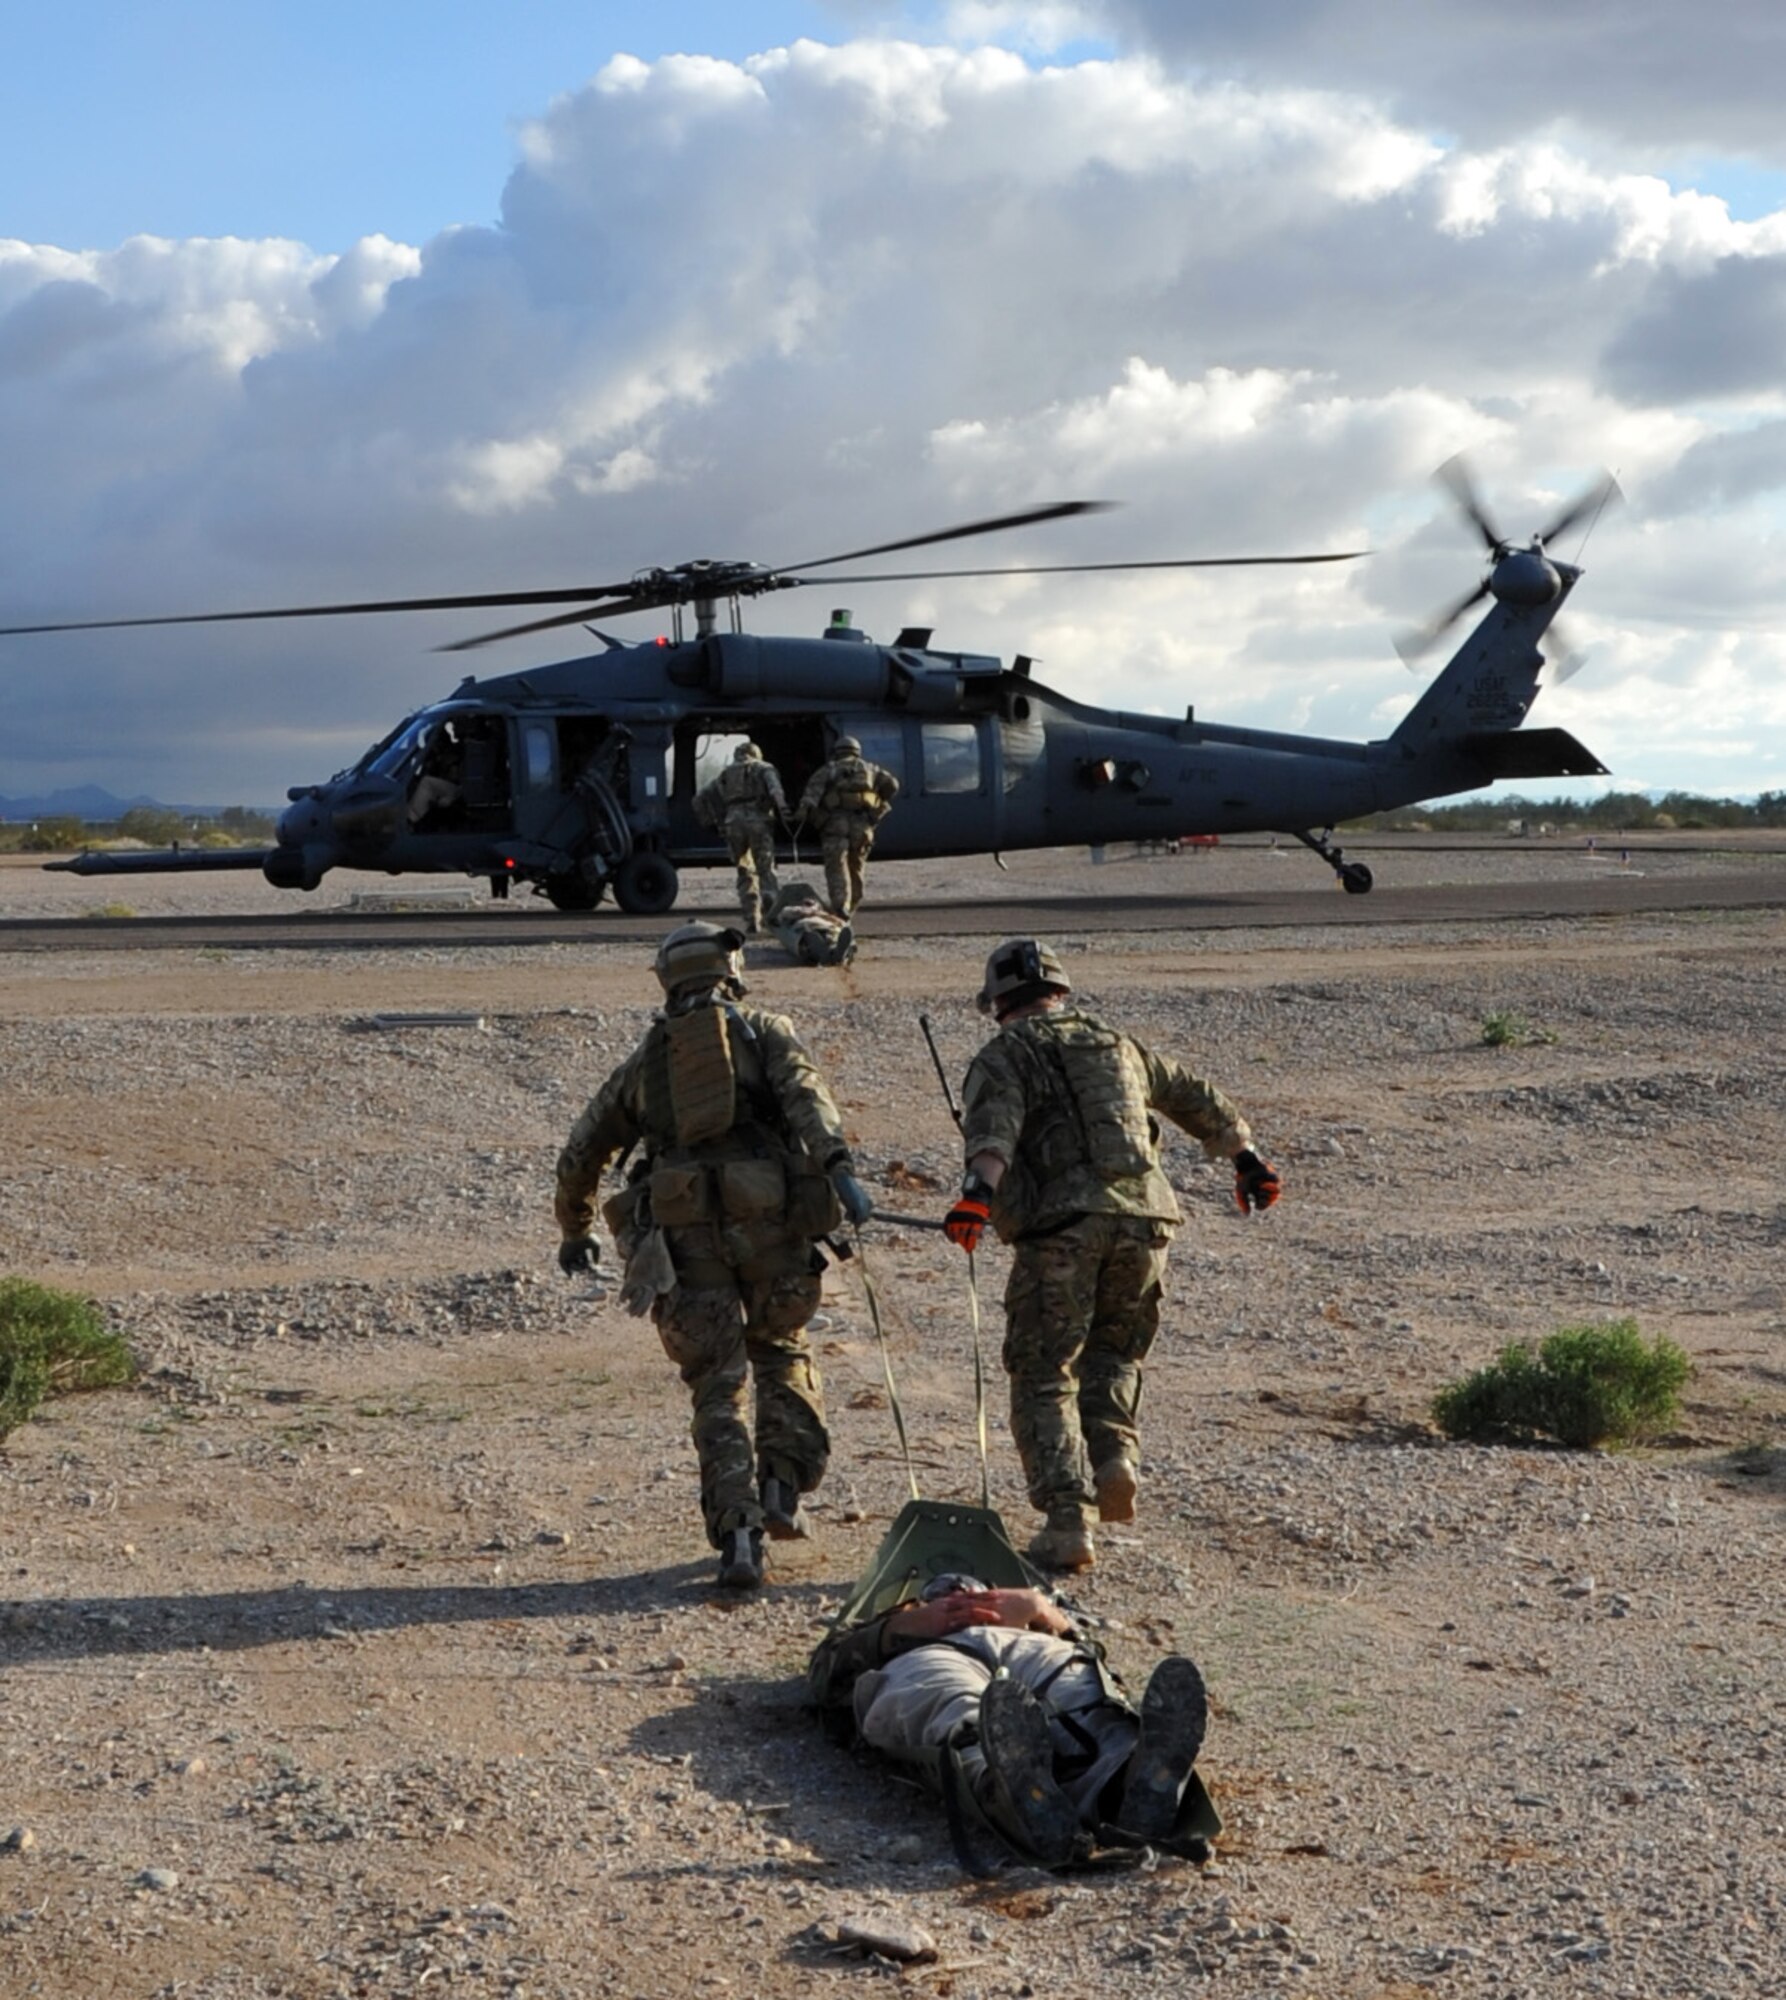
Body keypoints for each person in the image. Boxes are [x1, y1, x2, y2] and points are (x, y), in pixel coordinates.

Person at [941, 939, 1281, 1573]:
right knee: (1114, 1352)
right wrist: (1247, 1160)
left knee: (1044, 1370)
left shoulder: (1004, 1054)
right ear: (1061, 992)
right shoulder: (1119, 1044)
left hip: (1063, 1229)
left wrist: (976, 1200)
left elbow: (994, 1135)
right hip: (1148, 1222)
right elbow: (1196, 1097)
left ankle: (1068, 1520)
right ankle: (1114, 1457)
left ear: (997, 1004)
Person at [554, 921, 875, 1589]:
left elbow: (583, 1152)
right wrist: (839, 1168)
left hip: (683, 1241)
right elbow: (808, 1101)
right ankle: (783, 1488)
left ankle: (738, 1536)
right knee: (782, 1350)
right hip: (772, 1230)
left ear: (669, 979)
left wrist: (575, 1229)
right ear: (731, 972)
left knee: (717, 1385)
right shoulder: (765, 1031)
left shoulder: (649, 1060)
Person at [808, 1570, 1212, 1868]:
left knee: (1090, 1700)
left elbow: (1098, 1655)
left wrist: (1046, 1614)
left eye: (972, 1585)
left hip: (1032, 1648)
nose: (959, 1590)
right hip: (929, 1657)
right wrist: (899, 1627)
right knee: (962, 1717)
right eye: (943, 1589)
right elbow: (825, 1673)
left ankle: (1135, 1782)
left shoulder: (1035, 1613)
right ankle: (1013, 1792)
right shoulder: (898, 1622)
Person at [795, 734, 899, 918]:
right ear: (857, 751)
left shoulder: (829, 769)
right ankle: (853, 904)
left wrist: (802, 813)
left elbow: (811, 794)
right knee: (856, 865)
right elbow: (893, 785)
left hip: (835, 823)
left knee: (836, 865)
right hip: (862, 824)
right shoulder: (871, 769)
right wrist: (876, 799)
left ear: (837, 752)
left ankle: (840, 905)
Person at [694, 742, 789, 933]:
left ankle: (751, 917)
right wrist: (783, 809)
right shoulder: (765, 768)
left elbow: (699, 798)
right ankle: (771, 908)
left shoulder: (726, 773)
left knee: (745, 871)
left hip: (733, 823)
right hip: (758, 822)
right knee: (765, 869)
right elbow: (775, 790)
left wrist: (711, 822)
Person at [767, 878, 856, 967]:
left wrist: (825, 915)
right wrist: (811, 912)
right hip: (806, 929)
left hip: (826, 927)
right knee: (810, 939)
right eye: (806, 902)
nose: (808, 903)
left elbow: (839, 922)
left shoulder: (822, 912)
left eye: (810, 902)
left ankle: (835, 953)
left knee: (832, 937)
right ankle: (827, 953)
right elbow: (785, 916)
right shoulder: (790, 910)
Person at [407, 724, 463, 827]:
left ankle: (412, 819)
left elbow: (455, 776)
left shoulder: (456, 750)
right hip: (445, 788)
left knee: (426, 782)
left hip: (457, 789)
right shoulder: (434, 755)